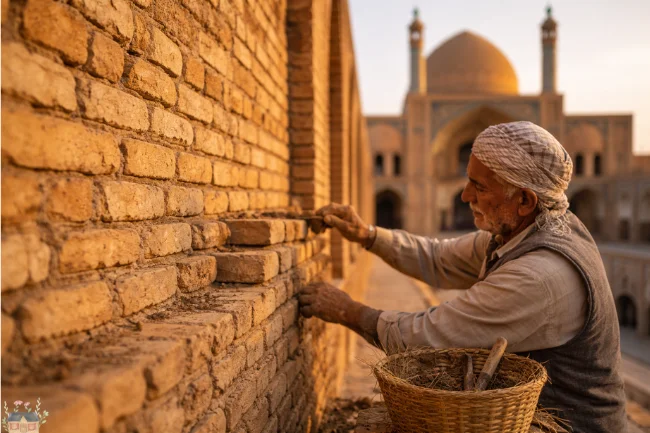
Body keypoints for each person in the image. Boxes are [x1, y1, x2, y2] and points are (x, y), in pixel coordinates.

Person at [299, 121, 627, 433]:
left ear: (525, 200)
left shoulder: (540, 276)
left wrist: (346, 310)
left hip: (567, 424)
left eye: (479, 186)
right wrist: (366, 234)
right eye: (468, 180)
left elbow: (427, 335)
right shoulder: (521, 233)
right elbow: (437, 258)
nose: (464, 195)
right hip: (527, 410)